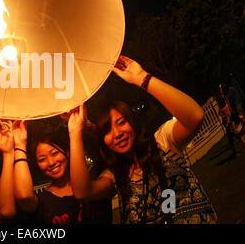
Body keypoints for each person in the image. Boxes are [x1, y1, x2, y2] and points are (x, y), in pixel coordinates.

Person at [69, 55, 217, 224]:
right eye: (108, 130)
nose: (117, 133)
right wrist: (75, 131)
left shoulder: (163, 141)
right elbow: (82, 192)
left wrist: (142, 79)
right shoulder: (116, 176)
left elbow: (195, 117)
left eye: (121, 122)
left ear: (132, 122)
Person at [13, 120, 104, 224]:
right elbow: (24, 197)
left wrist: (85, 125)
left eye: (55, 153)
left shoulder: (96, 182)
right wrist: (19, 145)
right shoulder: (43, 201)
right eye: (42, 159)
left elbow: (107, 146)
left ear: (67, 152)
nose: (51, 162)